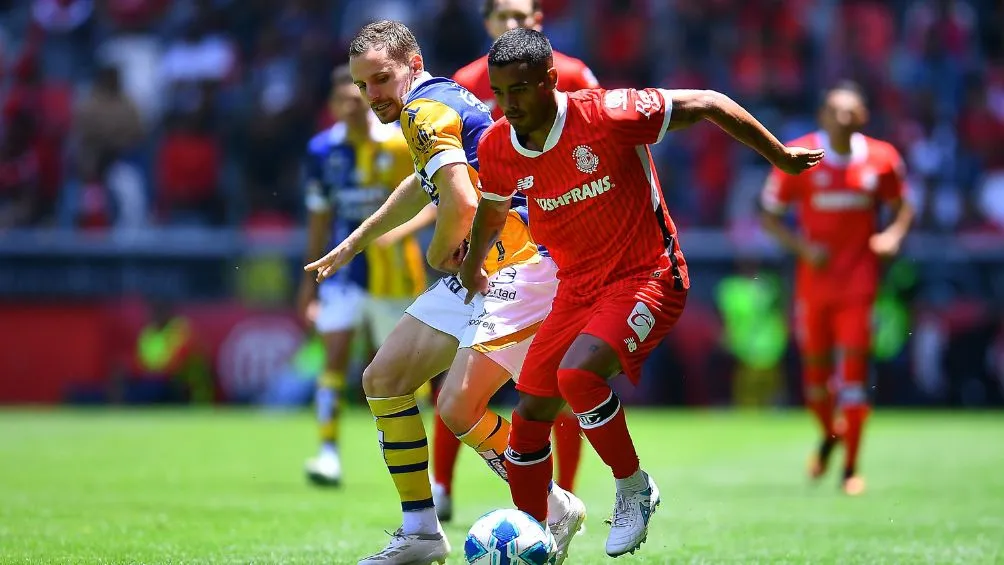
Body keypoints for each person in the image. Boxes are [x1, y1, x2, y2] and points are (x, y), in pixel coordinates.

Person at [459, 28, 822, 558]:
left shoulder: (608, 114)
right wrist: (472, 267)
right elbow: (492, 210)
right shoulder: (497, 146)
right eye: (500, 93)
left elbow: (709, 102)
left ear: (550, 81)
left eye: (519, 90)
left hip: (648, 275)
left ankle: (633, 488)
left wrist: (780, 157)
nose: (508, 105)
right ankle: (538, 534)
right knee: (529, 418)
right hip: (576, 288)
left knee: (577, 376)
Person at [304, 21, 585, 565]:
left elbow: (455, 197)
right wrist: (356, 242)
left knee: (457, 406)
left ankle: (551, 503)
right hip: (488, 261)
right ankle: (420, 534)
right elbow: (423, 180)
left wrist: (437, 255)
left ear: (413, 62)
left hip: (521, 265)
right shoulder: (441, 98)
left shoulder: (421, 109)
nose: (372, 96)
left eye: (381, 79)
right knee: (384, 379)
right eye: (363, 86)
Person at [429, 0, 600, 522]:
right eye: (502, 16)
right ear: (486, 24)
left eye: (520, 14)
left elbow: (600, 148)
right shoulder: (463, 82)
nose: (511, 24)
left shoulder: (571, 73)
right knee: (454, 383)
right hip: (488, 252)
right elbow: (455, 176)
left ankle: (559, 494)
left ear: (537, 20)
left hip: (555, 256)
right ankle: (442, 487)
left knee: (555, 386)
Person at [760, 81, 913, 496]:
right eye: (835, 111)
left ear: (862, 117)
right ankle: (831, 436)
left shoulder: (882, 160)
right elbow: (770, 215)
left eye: (851, 112)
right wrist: (803, 248)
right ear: (822, 116)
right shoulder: (800, 155)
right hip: (814, 287)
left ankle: (850, 469)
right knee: (814, 387)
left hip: (859, 285)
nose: (842, 118)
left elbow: (903, 206)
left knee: (852, 380)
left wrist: (893, 236)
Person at [298, 65, 435, 486]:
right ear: (332, 106)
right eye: (342, 102)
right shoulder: (322, 151)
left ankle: (423, 464)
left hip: (394, 274)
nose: (351, 109)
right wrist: (308, 285)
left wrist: (400, 233)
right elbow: (319, 217)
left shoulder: (398, 144)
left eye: (357, 101)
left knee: (403, 372)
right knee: (335, 355)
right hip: (342, 272)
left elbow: (433, 197)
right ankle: (327, 453)